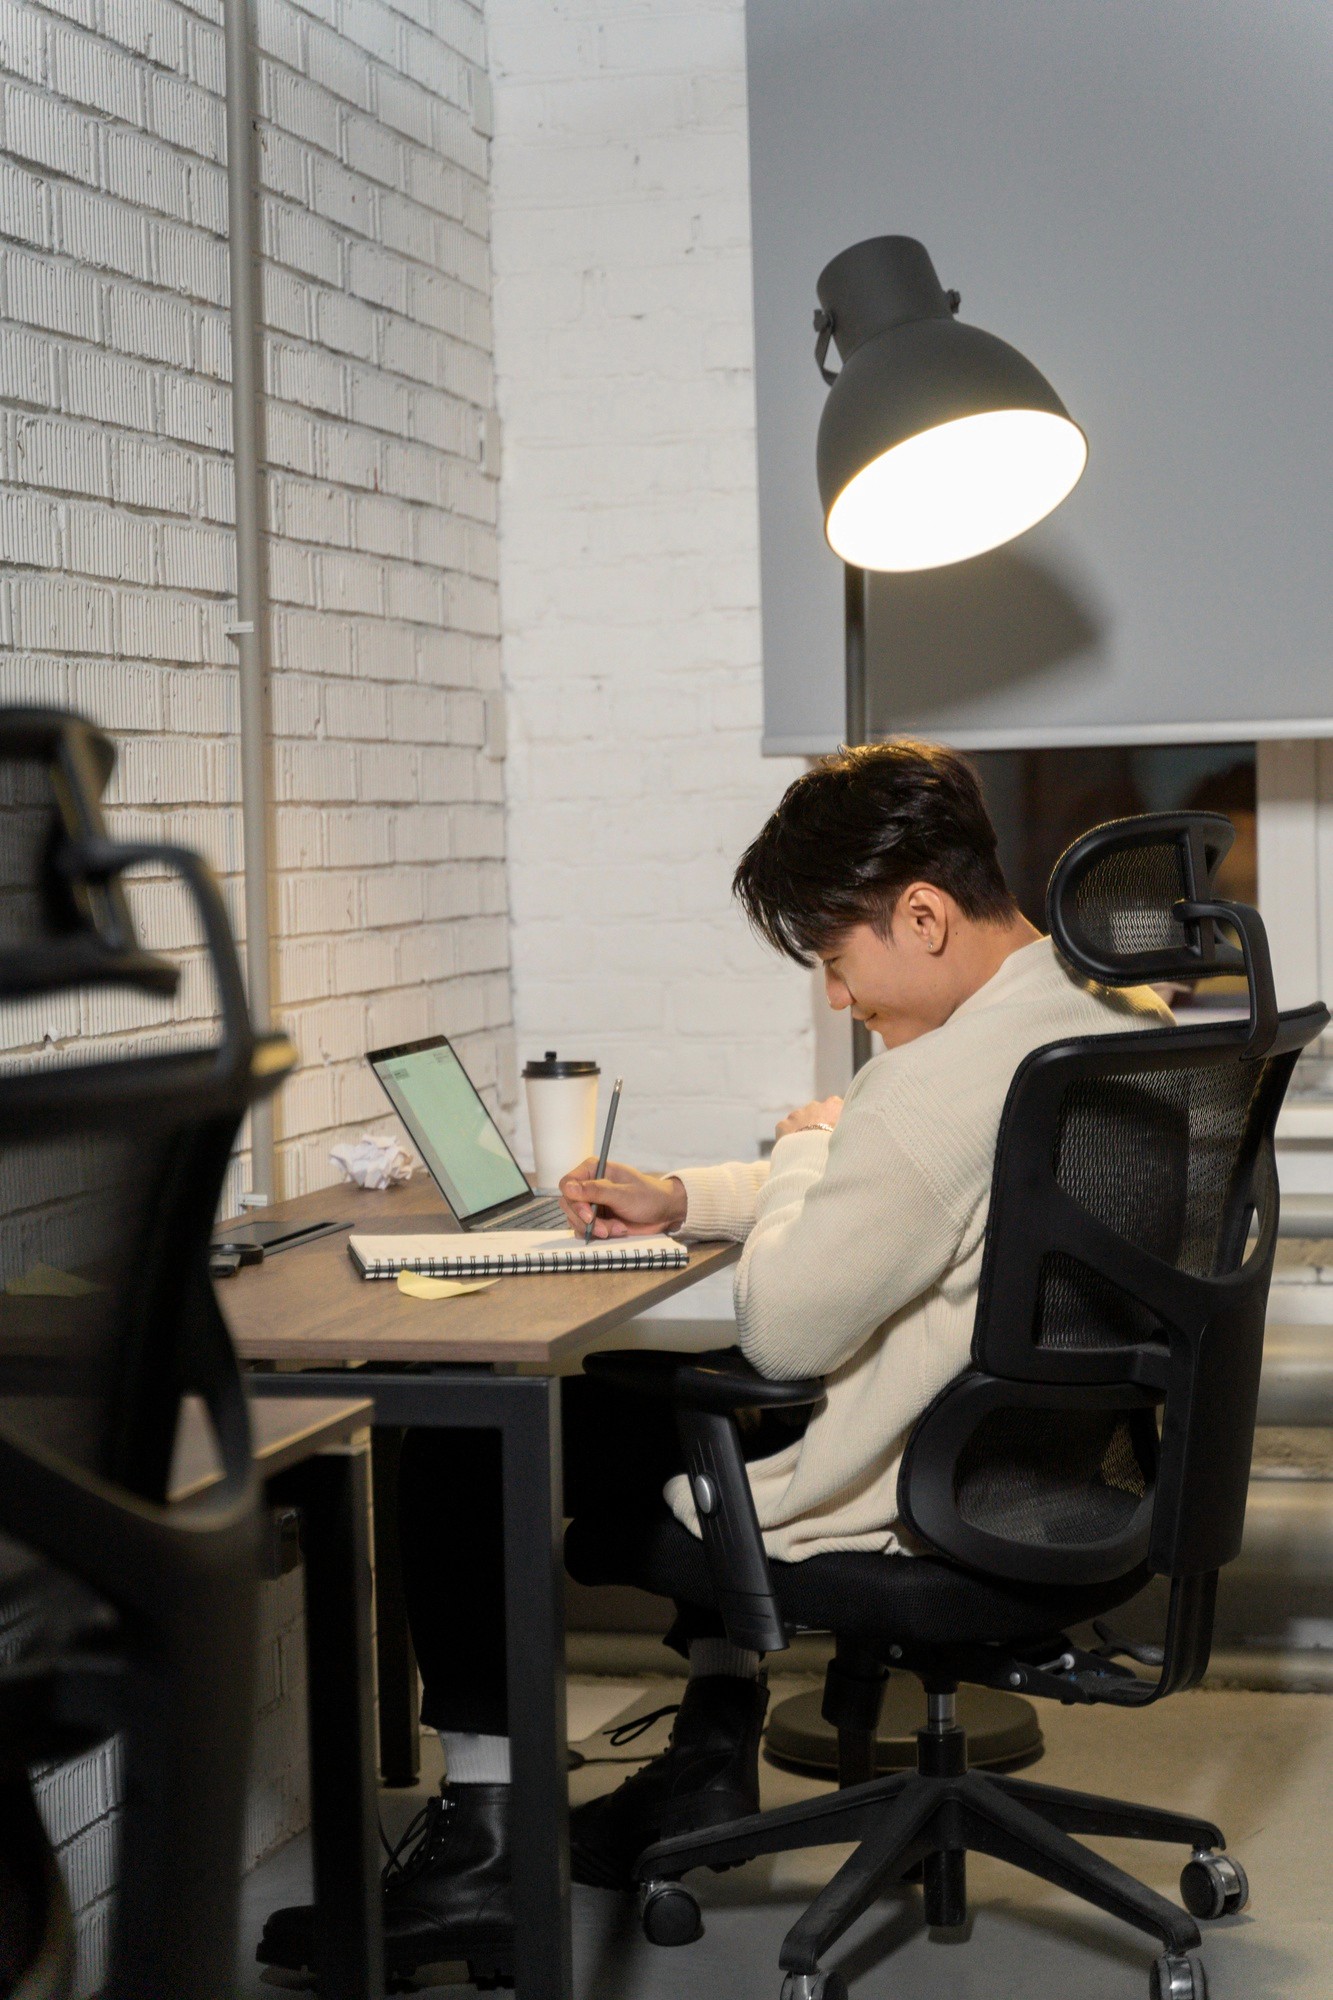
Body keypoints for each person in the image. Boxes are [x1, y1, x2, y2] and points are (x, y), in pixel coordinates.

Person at [259, 740, 1169, 1983]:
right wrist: (688, 1189)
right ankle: (703, 1751)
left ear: (922, 912)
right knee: (639, 1396)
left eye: (835, 961)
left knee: (471, 1426)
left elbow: (793, 1318)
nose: (839, 1000)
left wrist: (802, 1150)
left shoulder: (935, 1083)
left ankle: (482, 1838)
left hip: (903, 1491)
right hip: (1045, 1470)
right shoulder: (1108, 1013)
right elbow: (889, 1179)